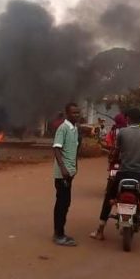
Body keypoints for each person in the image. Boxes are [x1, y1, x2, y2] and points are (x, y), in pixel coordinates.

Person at [90, 108, 140, 244]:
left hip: (124, 173)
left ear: (127, 118)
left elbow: (118, 151)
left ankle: (100, 231)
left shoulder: (122, 133)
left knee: (109, 197)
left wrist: (115, 158)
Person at [52, 103, 80, 247]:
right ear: (67, 114)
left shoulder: (74, 129)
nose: (76, 115)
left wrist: (75, 167)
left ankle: (61, 233)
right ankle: (58, 235)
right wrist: (63, 169)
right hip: (62, 174)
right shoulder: (63, 128)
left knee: (66, 203)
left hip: (70, 173)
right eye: (73, 113)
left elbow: (74, 150)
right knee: (62, 204)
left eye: (78, 113)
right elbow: (56, 149)